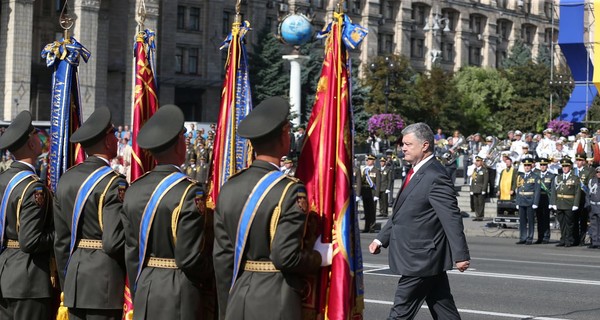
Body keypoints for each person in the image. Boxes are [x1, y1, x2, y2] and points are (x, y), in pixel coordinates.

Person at [213, 97, 331, 320]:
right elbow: (285, 256)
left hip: (238, 297)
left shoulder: (229, 187)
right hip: (276, 300)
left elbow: (222, 259)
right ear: (284, 136)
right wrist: (318, 257)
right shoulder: (290, 190)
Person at [368, 122, 470, 320]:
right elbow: (403, 213)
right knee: (444, 310)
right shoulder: (416, 171)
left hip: (420, 259)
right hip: (424, 259)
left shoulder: (435, 175)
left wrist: (461, 254)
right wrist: (381, 239)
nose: (403, 148)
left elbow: (451, 218)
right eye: (402, 144)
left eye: (408, 144)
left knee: (400, 313)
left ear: (424, 146)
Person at [120, 105, 213, 320]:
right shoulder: (190, 192)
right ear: (180, 144)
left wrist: (139, 288)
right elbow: (189, 258)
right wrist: (210, 271)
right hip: (179, 291)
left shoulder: (133, 189)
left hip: (145, 287)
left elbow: (132, 252)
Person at [53, 107, 128, 319]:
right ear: (106, 141)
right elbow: (113, 242)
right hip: (105, 283)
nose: (116, 139)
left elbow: (61, 242)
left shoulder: (66, 179)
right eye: (114, 134)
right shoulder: (114, 183)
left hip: (75, 281)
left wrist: (67, 279)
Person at [0, 111, 54, 320]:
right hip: (29, 280)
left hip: (5, 273)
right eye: (36, 136)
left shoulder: (3, 179)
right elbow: (30, 241)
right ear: (31, 145)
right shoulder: (33, 188)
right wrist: (62, 233)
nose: (40, 139)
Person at [550, 158, 581, 247]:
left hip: (569, 204)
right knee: (562, 223)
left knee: (569, 224)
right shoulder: (558, 178)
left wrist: (575, 204)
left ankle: (569, 240)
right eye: (563, 166)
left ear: (570, 167)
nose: (565, 168)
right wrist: (554, 203)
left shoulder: (575, 178)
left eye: (566, 166)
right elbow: (554, 191)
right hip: (560, 203)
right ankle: (563, 239)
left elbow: (577, 192)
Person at [514, 158, 541, 245]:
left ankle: (530, 238)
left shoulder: (535, 176)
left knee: (530, 221)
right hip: (522, 200)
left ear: (531, 166)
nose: (527, 167)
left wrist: (535, 203)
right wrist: (517, 202)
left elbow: (537, 191)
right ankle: (523, 237)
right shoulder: (520, 176)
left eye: (528, 165)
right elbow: (518, 190)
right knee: (522, 221)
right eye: (525, 166)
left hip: (530, 201)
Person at [534, 158, 555, 244]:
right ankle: (540, 237)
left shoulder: (551, 176)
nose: (542, 167)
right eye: (541, 165)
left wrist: (551, 202)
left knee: (546, 219)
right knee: (539, 219)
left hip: (547, 199)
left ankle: (546, 237)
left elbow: (552, 190)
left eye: (544, 165)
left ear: (547, 166)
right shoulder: (536, 175)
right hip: (538, 199)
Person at [359, 155, 381, 232]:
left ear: (373, 161)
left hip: (373, 193)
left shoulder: (376, 170)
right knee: (366, 211)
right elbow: (361, 182)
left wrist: (377, 195)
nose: (368, 161)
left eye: (370, 160)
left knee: (372, 211)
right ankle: (366, 227)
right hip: (365, 192)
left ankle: (372, 227)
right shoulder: (364, 170)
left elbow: (378, 183)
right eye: (367, 160)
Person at [470, 155, 488, 221]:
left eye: (478, 161)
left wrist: (484, 189)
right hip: (475, 188)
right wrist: (471, 189)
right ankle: (477, 215)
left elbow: (485, 181)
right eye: (476, 161)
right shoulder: (475, 170)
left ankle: (480, 216)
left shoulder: (484, 170)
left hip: (480, 189)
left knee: (481, 203)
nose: (477, 162)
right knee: (476, 203)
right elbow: (473, 180)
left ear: (481, 162)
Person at [585, 166, 600, 248]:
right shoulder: (592, 181)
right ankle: (595, 242)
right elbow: (588, 194)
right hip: (593, 206)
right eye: (597, 172)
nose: (599, 174)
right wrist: (588, 204)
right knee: (593, 225)